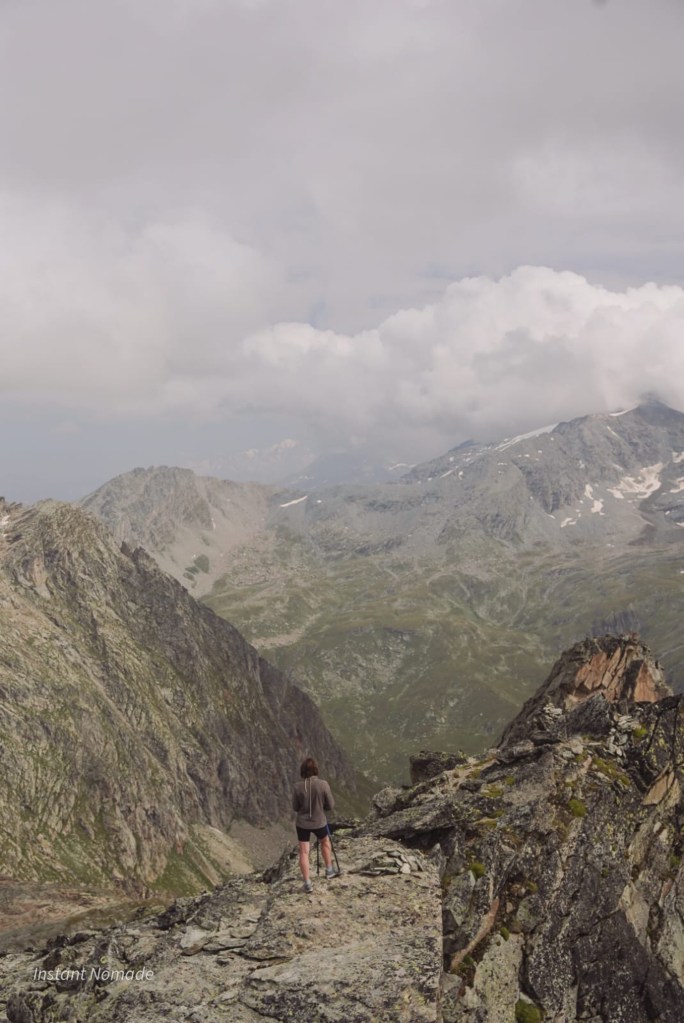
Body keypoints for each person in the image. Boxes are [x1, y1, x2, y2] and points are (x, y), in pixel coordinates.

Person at [292, 756, 339, 893]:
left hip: (302, 824)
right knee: (325, 841)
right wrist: (320, 806)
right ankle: (329, 870)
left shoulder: (297, 787)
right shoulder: (323, 784)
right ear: (315, 769)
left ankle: (307, 883)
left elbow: (295, 807)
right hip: (319, 821)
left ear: (303, 771)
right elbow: (330, 805)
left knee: (304, 851)